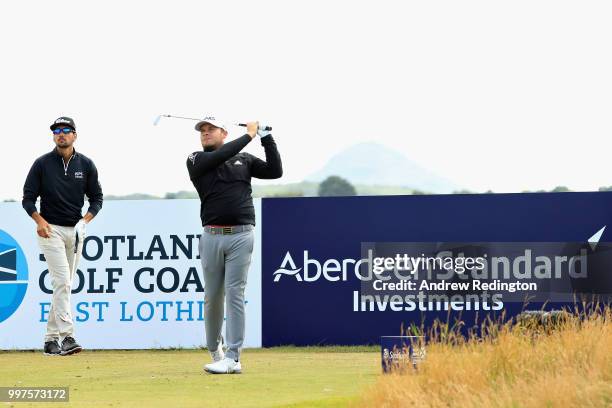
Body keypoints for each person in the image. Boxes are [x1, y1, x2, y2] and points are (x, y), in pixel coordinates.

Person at [186, 117, 282, 374]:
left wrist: (265, 137)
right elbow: (222, 155)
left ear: (224, 132)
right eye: (202, 131)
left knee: (235, 294)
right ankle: (214, 351)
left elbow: (275, 171)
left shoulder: (244, 160)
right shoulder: (196, 159)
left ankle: (233, 357)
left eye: (210, 129)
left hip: (241, 234)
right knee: (213, 297)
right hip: (211, 236)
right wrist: (249, 135)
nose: (205, 134)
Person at [22, 117, 103, 356]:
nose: (61, 134)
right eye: (57, 131)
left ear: (75, 135)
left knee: (63, 286)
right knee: (62, 282)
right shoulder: (42, 164)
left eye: (66, 130)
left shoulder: (86, 164)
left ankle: (50, 340)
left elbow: (97, 199)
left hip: (75, 231)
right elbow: (27, 198)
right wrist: (39, 220)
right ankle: (67, 337)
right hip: (51, 229)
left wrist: (84, 221)